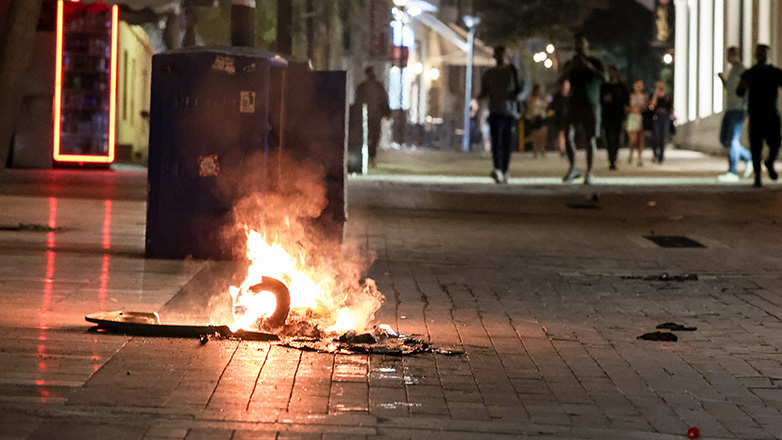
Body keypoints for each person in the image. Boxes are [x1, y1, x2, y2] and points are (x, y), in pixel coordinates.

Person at [561, 33, 605, 185]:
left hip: (590, 103)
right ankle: (573, 167)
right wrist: (569, 70)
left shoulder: (595, 62)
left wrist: (588, 67)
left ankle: (589, 171)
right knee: (567, 134)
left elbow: (604, 78)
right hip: (574, 102)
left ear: (586, 46)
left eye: (581, 44)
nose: (578, 47)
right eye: (576, 45)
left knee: (590, 138)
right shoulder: (571, 63)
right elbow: (561, 81)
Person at [737, 44, 782, 187]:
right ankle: (757, 177)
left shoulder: (775, 72)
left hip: (771, 114)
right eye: (759, 53)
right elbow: (739, 92)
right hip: (756, 115)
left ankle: (769, 162)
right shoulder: (750, 73)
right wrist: (742, 84)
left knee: (775, 143)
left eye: (764, 53)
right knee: (755, 148)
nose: (761, 55)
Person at [479, 46, 523, 184]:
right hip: (495, 110)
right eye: (497, 55)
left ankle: (504, 169)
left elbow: (520, 87)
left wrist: (515, 97)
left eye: (502, 55)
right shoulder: (489, 73)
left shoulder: (512, 71)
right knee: (496, 141)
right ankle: (497, 168)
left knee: (506, 142)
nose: (500, 57)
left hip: (509, 111)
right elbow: (484, 91)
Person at [717, 47, 752, 182]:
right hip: (730, 109)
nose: (727, 58)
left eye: (728, 55)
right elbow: (731, 90)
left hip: (738, 109)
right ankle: (749, 158)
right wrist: (722, 80)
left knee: (733, 140)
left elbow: (747, 92)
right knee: (724, 139)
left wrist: (747, 111)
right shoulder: (732, 71)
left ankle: (733, 172)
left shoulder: (742, 70)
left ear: (734, 55)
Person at [354, 66, 391, 168]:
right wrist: (387, 112)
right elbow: (384, 101)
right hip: (375, 116)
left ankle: (368, 157)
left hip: (366, 116)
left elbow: (358, 101)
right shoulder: (378, 87)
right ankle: (372, 157)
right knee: (374, 137)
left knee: (367, 137)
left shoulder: (362, 87)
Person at [600, 65, 629, 170]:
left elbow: (626, 101)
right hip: (607, 115)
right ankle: (611, 160)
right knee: (609, 138)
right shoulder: (604, 87)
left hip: (618, 115)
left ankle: (614, 157)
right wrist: (604, 100)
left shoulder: (621, 87)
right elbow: (600, 100)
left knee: (616, 138)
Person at [649, 81, 673, 164]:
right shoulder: (655, 96)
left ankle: (661, 156)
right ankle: (655, 153)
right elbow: (651, 107)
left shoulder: (668, 96)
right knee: (656, 136)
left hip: (665, 117)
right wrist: (655, 96)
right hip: (657, 117)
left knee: (663, 137)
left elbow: (671, 108)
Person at [626, 80, 648, 166]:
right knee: (633, 139)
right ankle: (631, 152)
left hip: (641, 118)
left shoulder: (644, 97)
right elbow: (626, 108)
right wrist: (631, 109)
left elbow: (647, 107)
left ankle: (639, 158)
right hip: (632, 117)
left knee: (641, 139)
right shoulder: (630, 97)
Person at [526, 85, 549, 158]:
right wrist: (530, 117)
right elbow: (529, 109)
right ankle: (535, 149)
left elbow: (546, 107)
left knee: (543, 133)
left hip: (542, 117)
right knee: (535, 134)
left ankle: (542, 148)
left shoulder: (543, 99)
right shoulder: (531, 99)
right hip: (534, 117)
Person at [549, 78, 570, 158]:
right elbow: (552, 106)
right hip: (560, 118)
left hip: (569, 117)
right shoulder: (557, 96)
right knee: (561, 133)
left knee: (568, 134)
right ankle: (562, 149)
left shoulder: (571, 96)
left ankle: (567, 148)